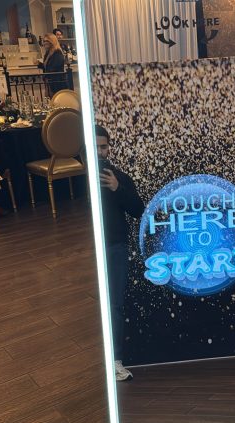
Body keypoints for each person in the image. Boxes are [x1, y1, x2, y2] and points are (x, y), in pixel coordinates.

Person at [95, 125, 144, 381]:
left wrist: (117, 188)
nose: (99, 152)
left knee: (114, 304)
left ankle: (115, 360)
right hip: (81, 249)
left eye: (103, 147)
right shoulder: (72, 179)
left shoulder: (118, 177)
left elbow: (138, 210)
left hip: (114, 245)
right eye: (94, 147)